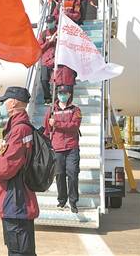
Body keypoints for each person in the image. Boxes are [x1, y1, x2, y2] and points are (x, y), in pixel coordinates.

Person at [0, 87, 39, 256]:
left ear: (14, 102)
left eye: (4, 101)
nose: (1, 105)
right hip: (17, 199)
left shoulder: (19, 130)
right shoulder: (19, 127)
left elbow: (6, 167)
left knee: (19, 251)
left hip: (16, 200)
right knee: (19, 249)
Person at [43, 85, 82, 213]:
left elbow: (74, 126)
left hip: (72, 147)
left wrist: (57, 124)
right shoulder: (51, 110)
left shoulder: (76, 110)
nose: (62, 95)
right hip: (57, 147)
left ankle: (73, 202)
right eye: (60, 93)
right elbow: (46, 128)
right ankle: (62, 201)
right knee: (59, 175)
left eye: (65, 93)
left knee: (72, 174)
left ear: (69, 94)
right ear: (57, 94)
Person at [38, 15, 57, 104]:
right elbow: (40, 48)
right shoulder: (44, 33)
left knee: (57, 80)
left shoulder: (60, 31)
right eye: (48, 23)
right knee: (44, 80)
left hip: (57, 59)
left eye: (51, 22)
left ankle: (57, 98)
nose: (49, 24)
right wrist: (49, 42)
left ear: (54, 21)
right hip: (45, 60)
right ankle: (47, 98)